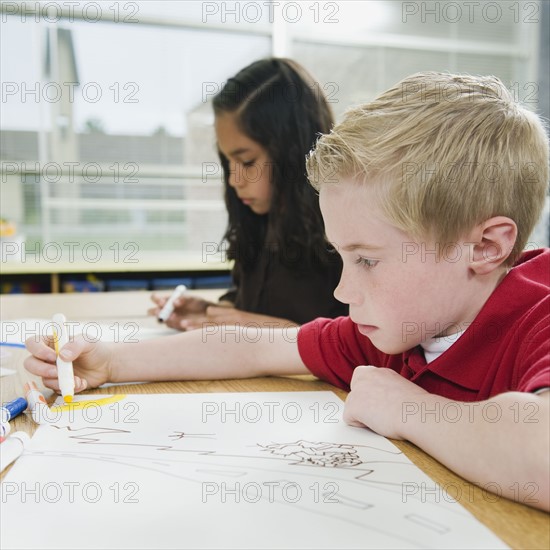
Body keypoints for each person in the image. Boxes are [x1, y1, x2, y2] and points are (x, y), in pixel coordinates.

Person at [25, 72, 549, 511]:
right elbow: (251, 346)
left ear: (484, 247)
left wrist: (411, 409)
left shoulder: (538, 317)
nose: (344, 289)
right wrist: (113, 362)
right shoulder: (398, 331)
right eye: (343, 258)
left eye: (367, 260)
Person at [148, 58, 347, 330]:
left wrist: (268, 330)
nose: (233, 180)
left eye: (247, 162)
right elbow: (254, 307)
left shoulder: (345, 233)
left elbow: (362, 344)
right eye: (228, 162)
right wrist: (211, 310)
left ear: (291, 152)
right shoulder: (260, 221)